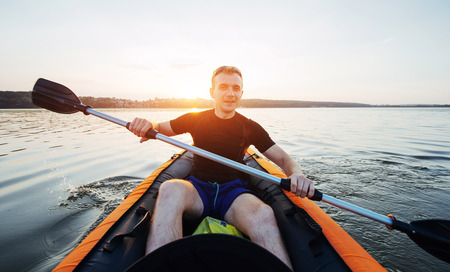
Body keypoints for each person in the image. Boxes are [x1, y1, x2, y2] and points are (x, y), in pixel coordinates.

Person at [129, 65, 315, 270]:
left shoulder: (250, 127)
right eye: (223, 87)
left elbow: (283, 159)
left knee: (264, 215)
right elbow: (160, 128)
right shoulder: (195, 118)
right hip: (197, 190)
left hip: (233, 194)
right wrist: (147, 124)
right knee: (170, 189)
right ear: (212, 92)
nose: (230, 93)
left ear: (242, 93)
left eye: (236, 88)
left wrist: (298, 174)